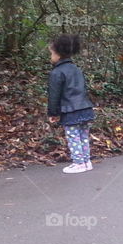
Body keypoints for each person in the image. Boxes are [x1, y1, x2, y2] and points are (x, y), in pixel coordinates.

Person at [47, 34, 97, 173]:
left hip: (70, 110)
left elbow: (54, 95)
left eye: (51, 53)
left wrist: (53, 112)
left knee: (73, 136)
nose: (51, 57)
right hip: (85, 108)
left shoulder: (56, 72)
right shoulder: (77, 69)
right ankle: (86, 161)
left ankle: (78, 162)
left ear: (58, 54)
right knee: (83, 136)